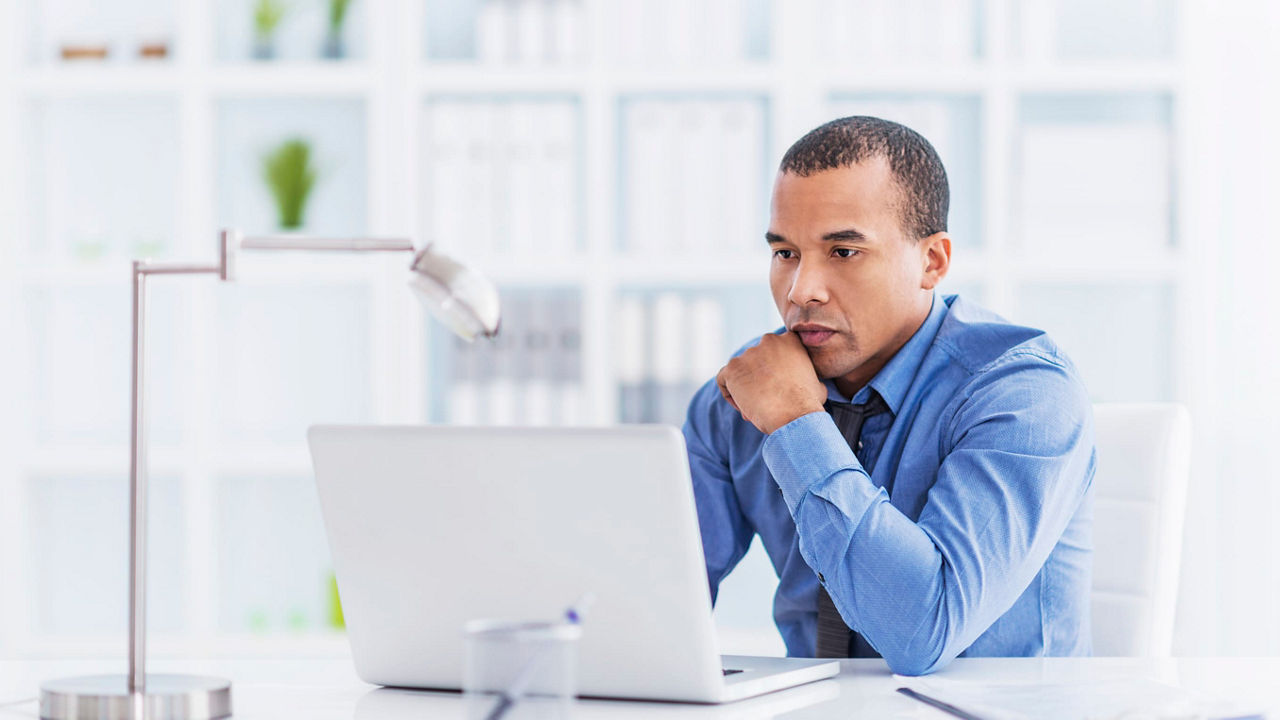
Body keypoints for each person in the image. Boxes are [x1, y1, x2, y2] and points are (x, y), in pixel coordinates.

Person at [682, 116, 1096, 676]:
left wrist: (797, 425)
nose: (802, 290)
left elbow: (923, 632)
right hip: (808, 708)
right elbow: (651, 601)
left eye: (843, 251)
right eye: (785, 253)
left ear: (933, 262)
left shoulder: (1026, 394)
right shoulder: (744, 394)